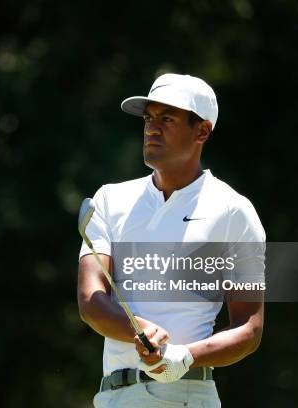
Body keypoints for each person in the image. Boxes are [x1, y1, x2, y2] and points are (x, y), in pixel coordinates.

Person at [77, 73, 266, 407]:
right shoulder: (109, 200)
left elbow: (249, 328)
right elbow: (91, 300)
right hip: (112, 397)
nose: (152, 128)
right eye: (149, 118)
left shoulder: (233, 211)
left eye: (167, 119)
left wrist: (185, 357)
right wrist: (142, 331)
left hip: (185, 396)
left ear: (202, 131)